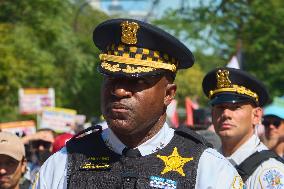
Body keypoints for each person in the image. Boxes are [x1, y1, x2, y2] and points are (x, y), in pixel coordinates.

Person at [33, 18, 243, 189]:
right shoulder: (64, 163)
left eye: (136, 81)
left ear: (168, 94)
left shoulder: (208, 169)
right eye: (111, 78)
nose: (119, 91)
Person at [202, 67, 284, 188]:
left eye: (236, 107)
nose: (226, 114)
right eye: (220, 107)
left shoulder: (269, 173)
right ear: (212, 114)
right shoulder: (205, 162)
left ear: (256, 116)